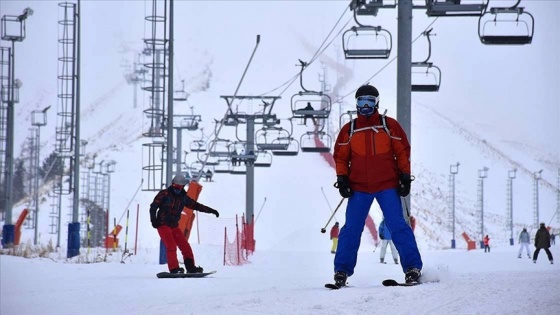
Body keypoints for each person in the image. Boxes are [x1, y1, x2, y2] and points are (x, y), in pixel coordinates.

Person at [332, 84, 422, 286]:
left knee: (398, 225)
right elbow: (340, 157)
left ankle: (412, 268)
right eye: (361, 102)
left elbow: (402, 152)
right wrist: (343, 179)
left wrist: (405, 176)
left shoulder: (389, 126)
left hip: (386, 185)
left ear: (377, 103)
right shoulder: (350, 129)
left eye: (369, 102)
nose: (365, 106)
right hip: (359, 187)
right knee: (351, 229)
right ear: (356, 104)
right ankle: (341, 271)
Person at [150, 174, 220, 273]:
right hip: (163, 224)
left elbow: (196, 205)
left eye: (179, 187)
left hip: (174, 226)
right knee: (171, 246)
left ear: (183, 187)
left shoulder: (183, 198)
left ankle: (191, 267)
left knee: (185, 246)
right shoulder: (164, 194)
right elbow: (153, 206)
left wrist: (211, 210)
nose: (177, 189)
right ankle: (174, 269)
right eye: (175, 187)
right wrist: (154, 220)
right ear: (172, 184)